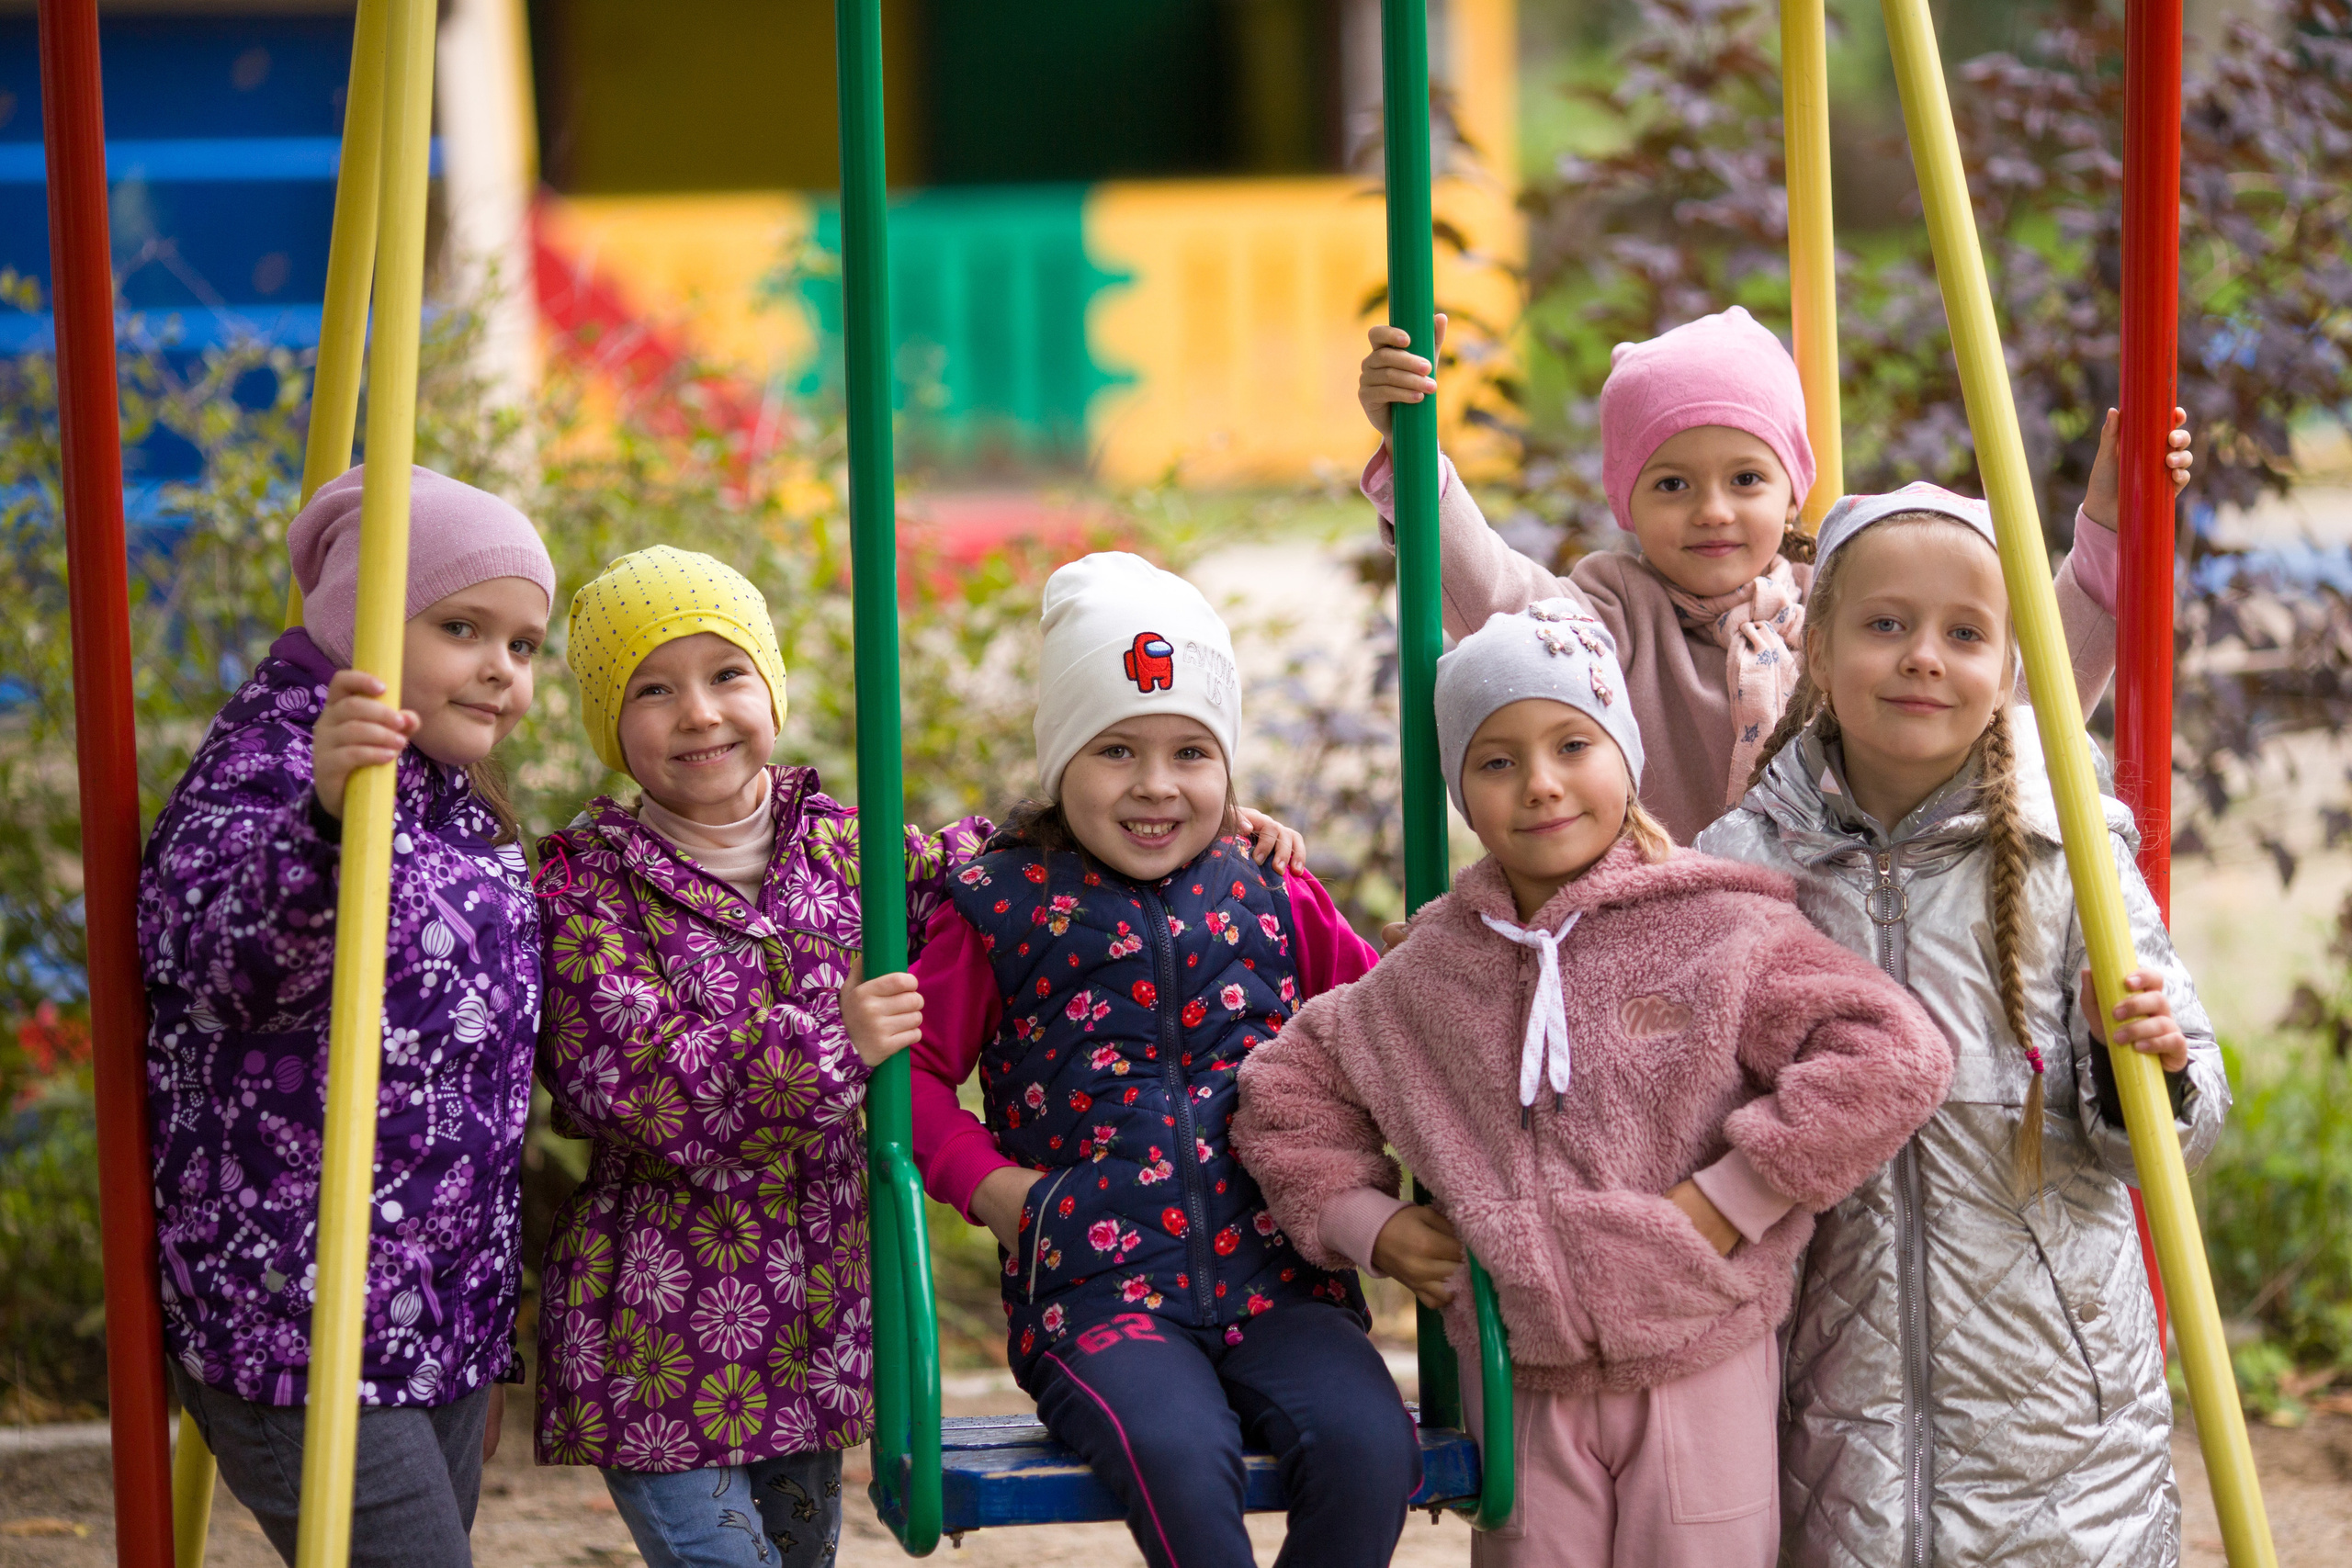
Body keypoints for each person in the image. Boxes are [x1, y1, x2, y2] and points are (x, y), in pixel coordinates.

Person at [1232, 603, 1951, 1567]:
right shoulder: (1429, 972)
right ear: (1462, 792)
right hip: (1520, 1377)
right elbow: (1284, 1096)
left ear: (1625, 755)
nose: (1539, 784)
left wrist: (1731, 1199)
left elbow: (1890, 1052)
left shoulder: (1720, 929)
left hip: (1701, 1350)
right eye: (1495, 762)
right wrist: (1375, 1228)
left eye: (1573, 743)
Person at [1692, 484, 2232, 1566]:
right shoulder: (1745, 866)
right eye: (1885, 624)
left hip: (2057, 1411)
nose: (1922, 656)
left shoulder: (2068, 847)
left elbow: (2176, 1136)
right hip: (1831, 1397)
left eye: (1963, 632)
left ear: (2010, 665)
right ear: (1820, 647)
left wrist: (2140, 1056)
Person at [908, 552, 1421, 1568]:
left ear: (1228, 767)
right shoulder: (1002, 905)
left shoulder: (1273, 894)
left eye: (1192, 752)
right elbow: (913, 1074)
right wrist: (1001, 1192)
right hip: (1096, 1296)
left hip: (1284, 1284)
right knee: (1179, 1460)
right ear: (1062, 761)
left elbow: (1388, 1029)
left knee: (1371, 1452)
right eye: (1115, 752)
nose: (1155, 786)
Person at [528, 546, 989, 1568]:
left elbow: (1008, 881)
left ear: (770, 691)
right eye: (653, 688)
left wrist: (1200, 823)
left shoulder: (856, 852)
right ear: (610, 724)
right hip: (659, 1335)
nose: (698, 712)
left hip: (816, 1328)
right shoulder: (583, 890)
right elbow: (638, 1081)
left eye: (727, 674)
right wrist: (836, 1040)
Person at [141, 465, 556, 1566]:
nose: (501, 670)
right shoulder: (268, 772)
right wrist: (323, 824)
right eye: (463, 625)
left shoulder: (452, 801)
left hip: (437, 1303)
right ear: (356, 621)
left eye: (524, 645)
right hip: (300, 1311)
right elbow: (225, 959)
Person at [1354, 307, 2194, 841]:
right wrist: (1416, 453)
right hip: (1669, 943)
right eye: (1672, 483)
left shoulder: (1837, 615)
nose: (1713, 510)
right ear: (1626, 500)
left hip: (1828, 939)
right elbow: (1490, 595)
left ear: (1794, 488)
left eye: (1745, 479)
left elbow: (2016, 701)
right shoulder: (1606, 615)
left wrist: (2111, 533)